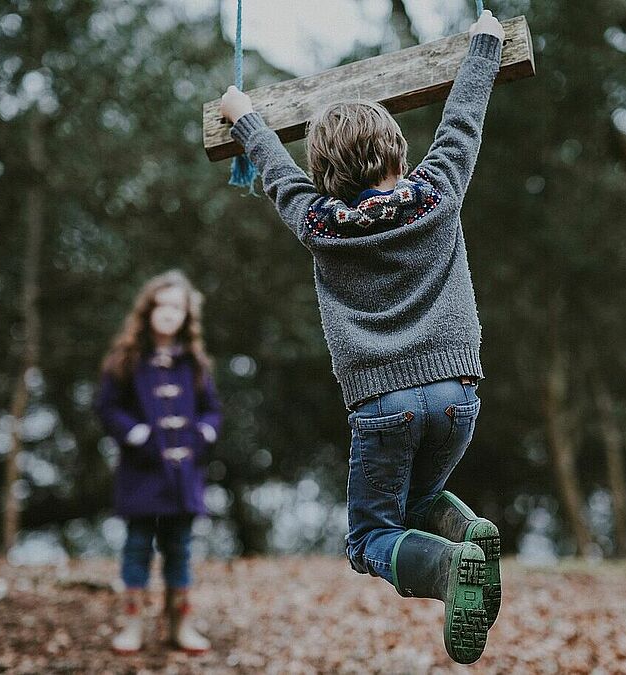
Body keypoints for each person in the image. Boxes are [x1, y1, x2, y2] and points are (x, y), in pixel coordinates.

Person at [219, 11, 506, 664]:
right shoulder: (438, 193)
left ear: (328, 173)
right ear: (400, 150)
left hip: (383, 404)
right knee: (421, 500)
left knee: (370, 536)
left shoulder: (319, 221)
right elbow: (464, 118)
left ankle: (449, 568)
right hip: (458, 394)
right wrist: (484, 40)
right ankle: (471, 533)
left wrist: (244, 115)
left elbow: (274, 170)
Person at [94, 270, 222, 655]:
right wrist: (137, 435)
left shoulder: (195, 363)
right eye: (161, 305)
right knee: (137, 547)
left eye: (177, 307)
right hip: (142, 475)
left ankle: (180, 625)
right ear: (147, 311)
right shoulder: (126, 359)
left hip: (184, 477)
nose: (168, 314)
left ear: (187, 316)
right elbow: (106, 407)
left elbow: (212, 410)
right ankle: (132, 625)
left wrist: (203, 434)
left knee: (180, 548)